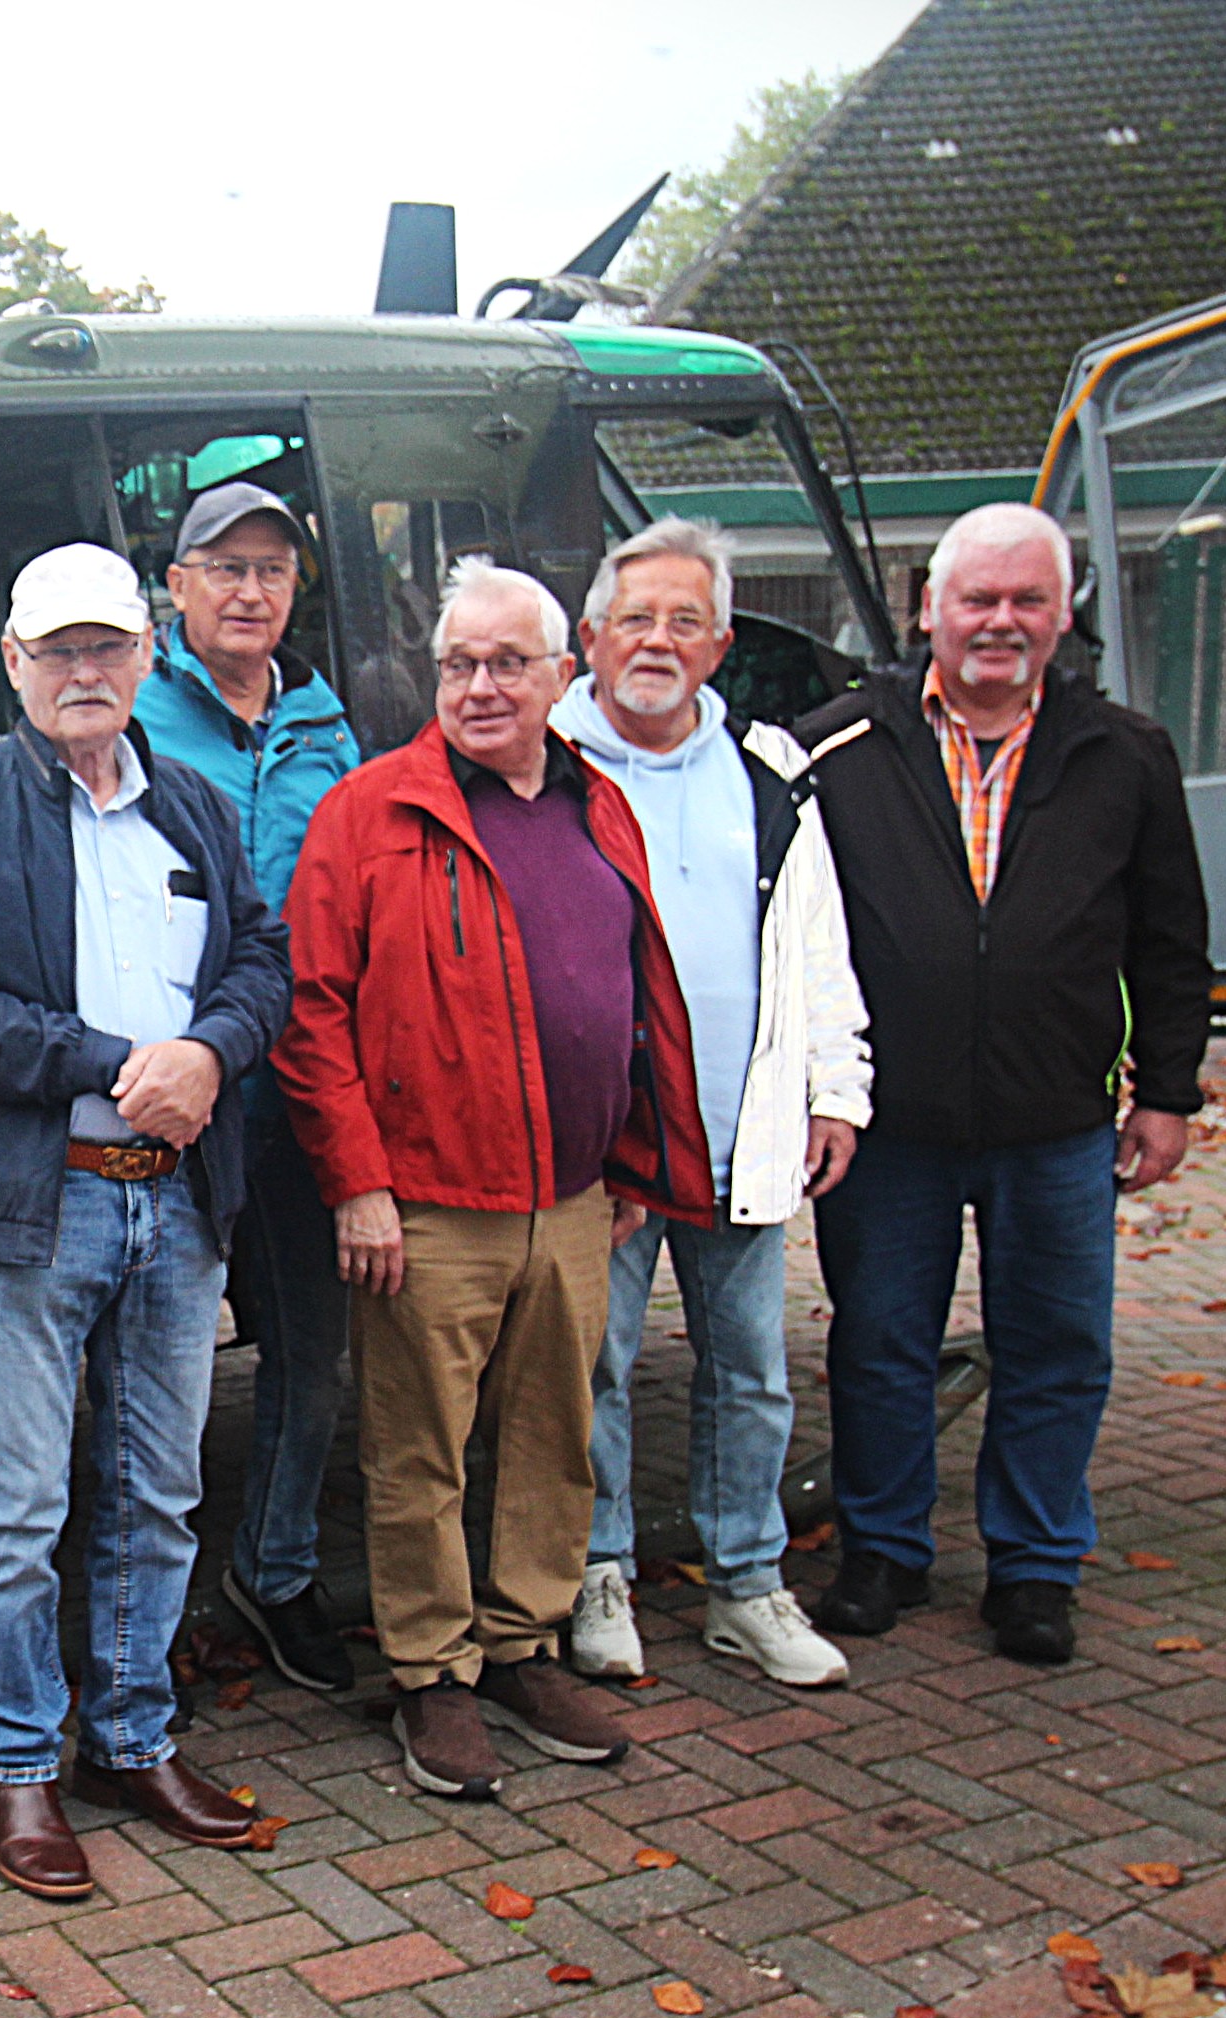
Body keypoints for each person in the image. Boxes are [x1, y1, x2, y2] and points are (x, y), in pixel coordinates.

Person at [0, 543, 292, 1901]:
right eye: (55, 650)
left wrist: (214, 1052)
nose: (83, 671)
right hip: (32, 1204)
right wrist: (115, 1057)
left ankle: (130, 1736)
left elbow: (260, 957)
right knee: (18, 1505)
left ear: (145, 659)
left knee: (158, 1491)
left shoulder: (191, 808)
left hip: (173, 1202)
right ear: (11, 665)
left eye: (106, 647)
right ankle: (17, 1761)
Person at [276, 557, 717, 1800]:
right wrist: (357, 1183)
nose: (479, 685)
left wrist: (634, 1157)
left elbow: (630, 992)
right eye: (458, 663)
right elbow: (313, 1015)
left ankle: (522, 1642)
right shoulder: (373, 811)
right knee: (418, 1453)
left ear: (558, 675)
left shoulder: (596, 802)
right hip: (424, 1205)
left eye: (506, 662)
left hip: (574, 1199)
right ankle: (430, 1671)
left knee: (553, 1437)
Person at [793, 501, 1208, 1667]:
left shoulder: (1124, 753)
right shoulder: (834, 747)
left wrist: (1166, 1089)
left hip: (1057, 1123)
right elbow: (793, 942)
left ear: (1061, 613)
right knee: (879, 1341)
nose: (1000, 622)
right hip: (889, 1128)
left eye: (1027, 600)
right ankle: (881, 1549)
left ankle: (1032, 1565)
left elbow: (1170, 939)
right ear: (929, 606)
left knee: (1058, 1344)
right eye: (977, 598)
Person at [549, 519, 869, 1691]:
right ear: (589, 635)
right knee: (594, 1366)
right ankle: (599, 1569)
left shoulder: (771, 776)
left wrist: (836, 1087)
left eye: (685, 620)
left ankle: (746, 1582)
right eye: (635, 617)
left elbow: (817, 946)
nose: (658, 640)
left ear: (722, 641)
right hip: (602, 1146)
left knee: (751, 1368)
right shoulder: (543, 769)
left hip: (743, 1132)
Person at [128, 481, 364, 1693]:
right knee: (148, 1356)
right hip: (172, 1090)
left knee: (311, 1351)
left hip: (300, 1083)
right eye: (223, 567)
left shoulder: (329, 728)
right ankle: (134, 1608)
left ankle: (272, 1573)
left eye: (271, 570)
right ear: (175, 588)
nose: (249, 590)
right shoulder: (130, 715)